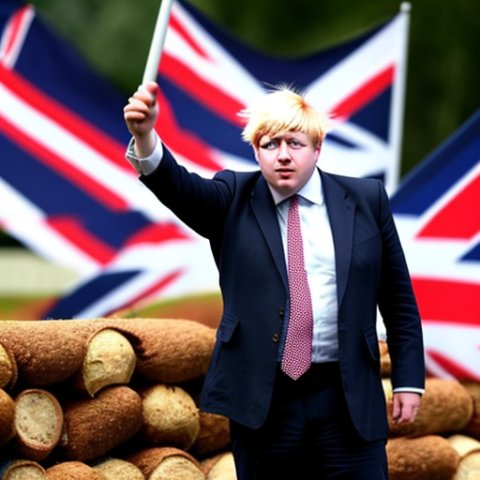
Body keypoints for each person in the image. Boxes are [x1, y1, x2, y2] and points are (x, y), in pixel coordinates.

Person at [123, 81, 425, 480]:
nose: (283, 155)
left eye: (295, 144)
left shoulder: (366, 200)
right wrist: (145, 136)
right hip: (264, 399)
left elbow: (398, 297)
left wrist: (409, 379)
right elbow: (177, 187)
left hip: (347, 396)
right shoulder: (231, 197)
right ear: (255, 150)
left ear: (317, 148)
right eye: (270, 144)